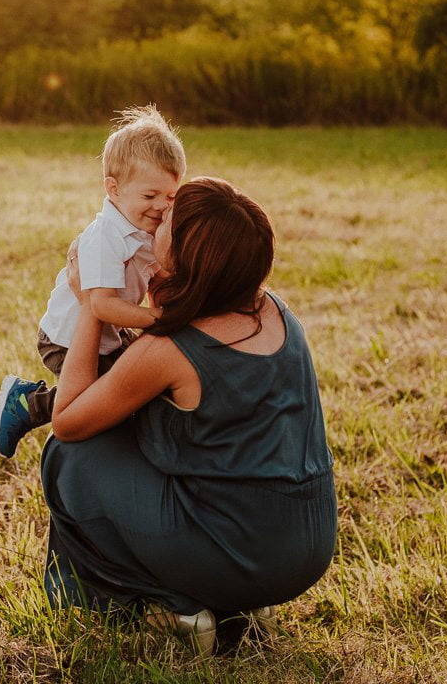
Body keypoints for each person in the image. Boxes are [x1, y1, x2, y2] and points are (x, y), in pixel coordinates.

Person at [38, 176, 337, 654]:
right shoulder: (279, 313)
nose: (157, 218)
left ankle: (172, 604)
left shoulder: (171, 349)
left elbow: (69, 421)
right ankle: (239, 603)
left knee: (69, 457)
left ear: (187, 258)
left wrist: (91, 306)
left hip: (239, 555)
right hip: (309, 550)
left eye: (167, 222)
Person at [0, 106, 186, 458]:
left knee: (137, 379)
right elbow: (100, 305)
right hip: (68, 338)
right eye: (149, 196)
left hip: (109, 334)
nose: (161, 206)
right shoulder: (105, 238)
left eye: (170, 196)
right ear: (113, 188)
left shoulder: (142, 228)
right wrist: (158, 320)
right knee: (103, 395)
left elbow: (155, 272)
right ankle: (26, 404)